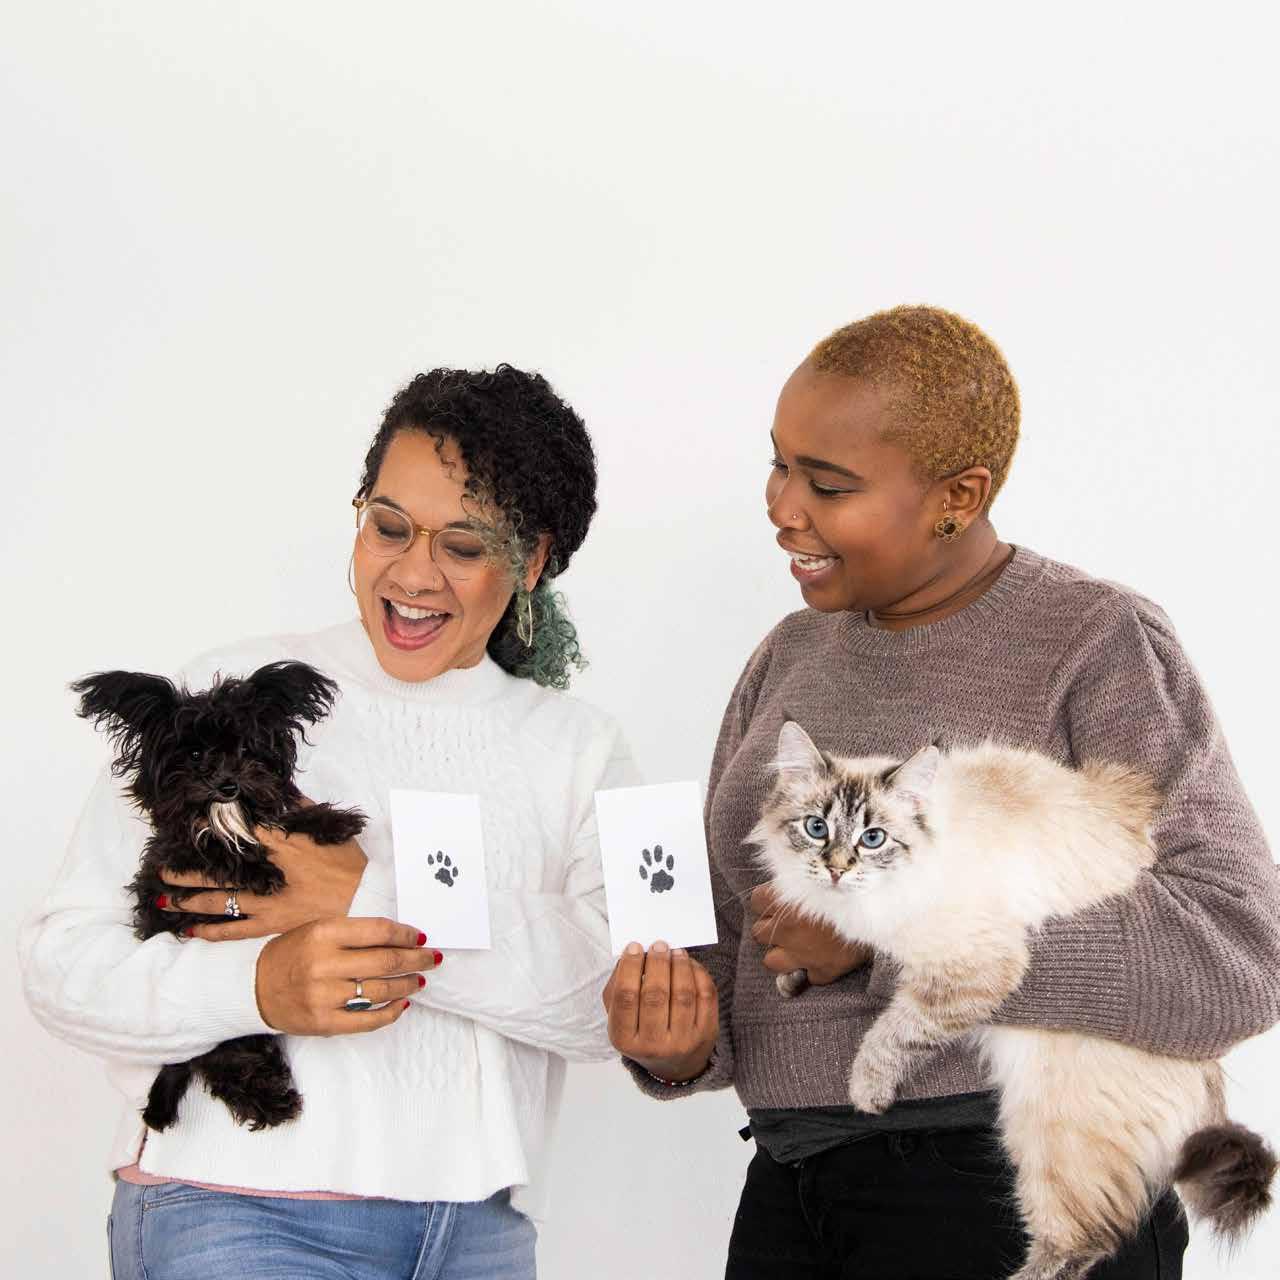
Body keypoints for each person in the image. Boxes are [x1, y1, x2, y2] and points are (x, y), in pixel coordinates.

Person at [603, 305, 1280, 1279]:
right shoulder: (787, 657)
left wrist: (883, 939)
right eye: (778, 464)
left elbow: (1236, 951)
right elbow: (733, 937)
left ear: (958, 495)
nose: (781, 506)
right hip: (791, 1178)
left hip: (1008, 1175)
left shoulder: (1095, 642)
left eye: (827, 483)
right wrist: (676, 1042)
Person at [22, 365, 634, 1280]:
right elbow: (65, 964)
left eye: (464, 545)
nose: (413, 573)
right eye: (388, 526)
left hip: (478, 1239)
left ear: (533, 559)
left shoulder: (580, 746)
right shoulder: (234, 694)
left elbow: (617, 1003)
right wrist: (257, 988)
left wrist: (366, 895)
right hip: (235, 1217)